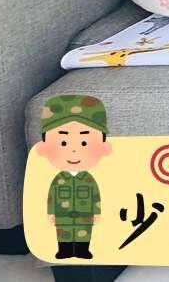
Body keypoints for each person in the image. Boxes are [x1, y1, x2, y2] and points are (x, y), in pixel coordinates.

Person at [34, 94, 113, 260]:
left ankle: (83, 250)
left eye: (84, 142)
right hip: (63, 216)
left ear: (104, 147)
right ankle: (64, 250)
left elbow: (95, 196)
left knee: (84, 233)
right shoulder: (58, 179)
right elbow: (51, 197)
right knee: (64, 233)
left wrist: (97, 212)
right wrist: (50, 213)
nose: (74, 150)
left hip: (85, 215)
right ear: (43, 147)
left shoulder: (89, 179)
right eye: (63, 143)